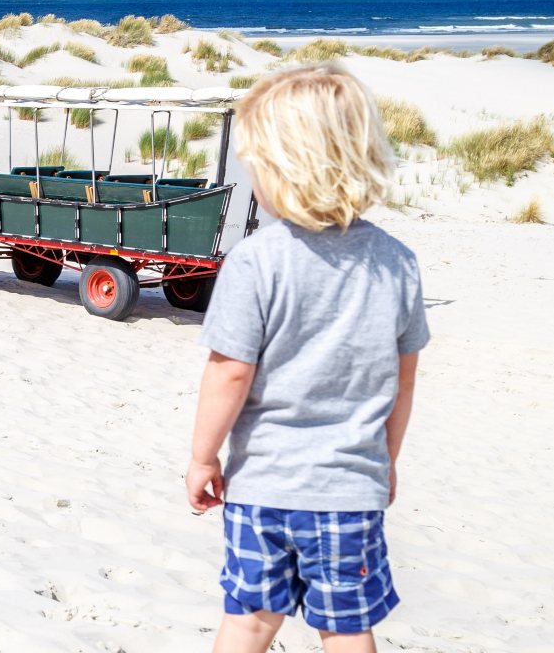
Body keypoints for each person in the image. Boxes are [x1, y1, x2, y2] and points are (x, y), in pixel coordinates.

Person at [184, 62, 429, 653]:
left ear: (283, 170)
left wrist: (201, 457)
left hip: (264, 488)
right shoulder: (396, 262)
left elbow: (230, 370)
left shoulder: (255, 261)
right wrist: (386, 460)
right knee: (345, 626)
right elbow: (403, 378)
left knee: (249, 619)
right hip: (349, 491)